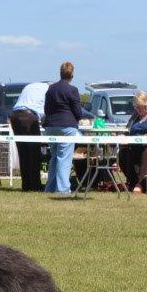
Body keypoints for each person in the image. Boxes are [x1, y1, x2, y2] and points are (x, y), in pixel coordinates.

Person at [43, 62, 82, 194]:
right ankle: (63, 189)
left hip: (51, 126)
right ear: (72, 74)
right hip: (67, 127)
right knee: (64, 158)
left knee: (54, 157)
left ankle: (50, 187)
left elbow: (46, 109)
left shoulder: (51, 89)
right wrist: (77, 120)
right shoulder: (72, 90)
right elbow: (78, 112)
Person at [9, 82, 49, 191]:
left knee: (23, 152)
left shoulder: (31, 86)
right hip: (29, 116)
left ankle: (26, 185)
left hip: (14, 115)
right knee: (34, 153)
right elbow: (48, 111)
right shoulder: (49, 90)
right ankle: (36, 185)